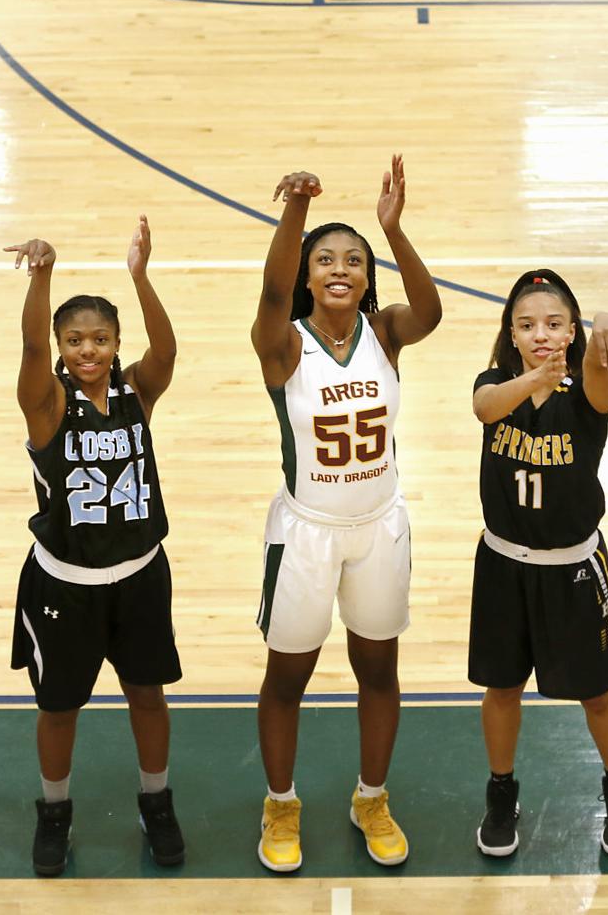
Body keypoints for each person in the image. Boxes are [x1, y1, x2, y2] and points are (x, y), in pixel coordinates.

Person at [251, 156, 443, 873]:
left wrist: (393, 230)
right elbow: (271, 291)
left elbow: (432, 310)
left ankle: (371, 797)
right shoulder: (283, 345)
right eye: (325, 260)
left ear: (367, 278)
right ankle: (280, 803)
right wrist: (296, 210)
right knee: (287, 677)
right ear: (307, 274)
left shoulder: (386, 332)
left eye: (354, 260)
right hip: (305, 532)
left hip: (379, 526)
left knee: (378, 667)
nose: (340, 267)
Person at [4, 218, 185, 878]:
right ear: (60, 345)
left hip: (139, 575)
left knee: (147, 694)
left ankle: (156, 799)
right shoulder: (47, 403)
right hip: (65, 585)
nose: (88, 349)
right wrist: (42, 276)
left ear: (115, 343)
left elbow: (166, 351)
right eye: (75, 339)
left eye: (100, 339)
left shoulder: (136, 392)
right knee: (59, 708)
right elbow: (28, 351)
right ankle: (54, 810)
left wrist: (140, 277)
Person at [468, 269, 608, 859]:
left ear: (572, 328)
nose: (541, 334)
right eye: (527, 324)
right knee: (502, 688)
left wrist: (601, 334)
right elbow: (485, 407)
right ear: (511, 333)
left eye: (554, 323)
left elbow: (598, 375)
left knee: (598, 695)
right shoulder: (496, 383)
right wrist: (533, 378)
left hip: (572, 567)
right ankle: (500, 792)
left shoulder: (588, 390)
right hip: (503, 565)